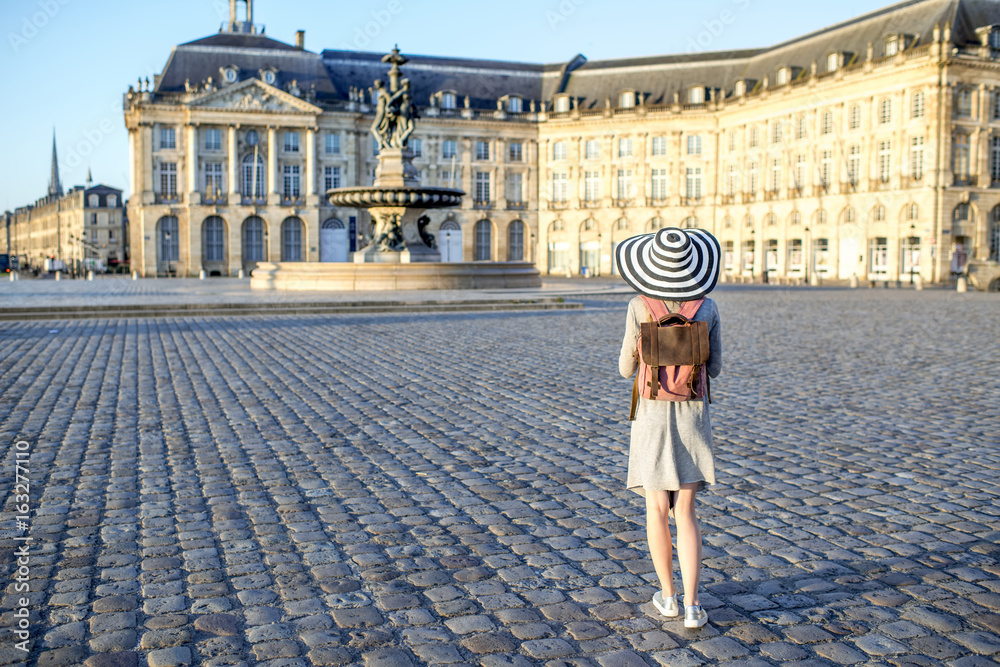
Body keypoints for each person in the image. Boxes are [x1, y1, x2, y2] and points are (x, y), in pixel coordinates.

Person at [615, 226, 723, 629]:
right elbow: (714, 367)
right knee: (688, 513)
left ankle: (669, 598)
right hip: (694, 415)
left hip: (652, 418)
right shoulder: (707, 307)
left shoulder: (639, 306)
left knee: (657, 510)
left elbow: (626, 367)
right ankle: (695, 607)